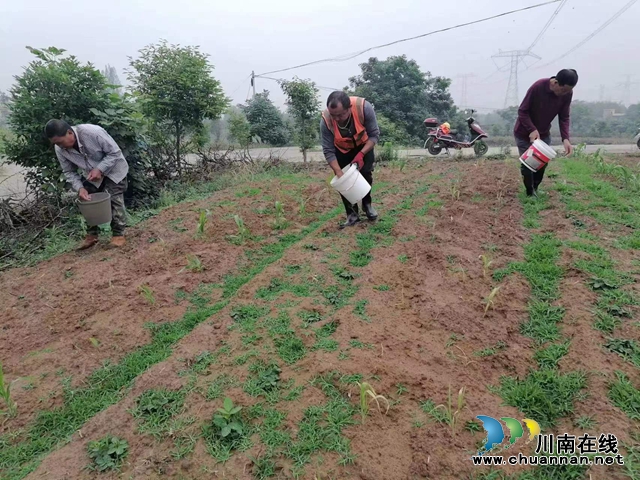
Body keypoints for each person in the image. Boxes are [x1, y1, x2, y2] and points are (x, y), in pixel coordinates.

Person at [45, 119, 129, 249]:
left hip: (115, 169)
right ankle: (92, 235)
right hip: (92, 175)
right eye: (56, 144)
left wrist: (100, 169)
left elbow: (115, 153)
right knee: (86, 199)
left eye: (61, 142)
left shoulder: (92, 132)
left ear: (69, 132)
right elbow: (68, 171)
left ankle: (119, 234)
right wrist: (80, 188)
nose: (60, 147)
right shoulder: (59, 148)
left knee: (114, 198)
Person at [514, 69, 578, 196]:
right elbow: (522, 111)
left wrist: (565, 138)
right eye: (563, 90)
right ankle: (529, 193)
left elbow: (564, 117)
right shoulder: (538, 87)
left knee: (541, 162)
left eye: (568, 91)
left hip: (544, 134)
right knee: (528, 163)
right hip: (524, 132)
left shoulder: (567, 94)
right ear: (555, 83)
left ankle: (535, 189)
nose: (565, 93)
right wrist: (532, 129)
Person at [321, 91, 380, 228]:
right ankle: (352, 214)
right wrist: (339, 173)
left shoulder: (364, 108)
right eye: (333, 115)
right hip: (342, 149)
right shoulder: (326, 120)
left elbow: (374, 135)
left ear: (349, 108)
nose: (336, 119)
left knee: (366, 173)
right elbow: (328, 150)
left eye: (340, 114)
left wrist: (361, 154)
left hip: (364, 145)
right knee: (344, 180)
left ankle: (367, 205)